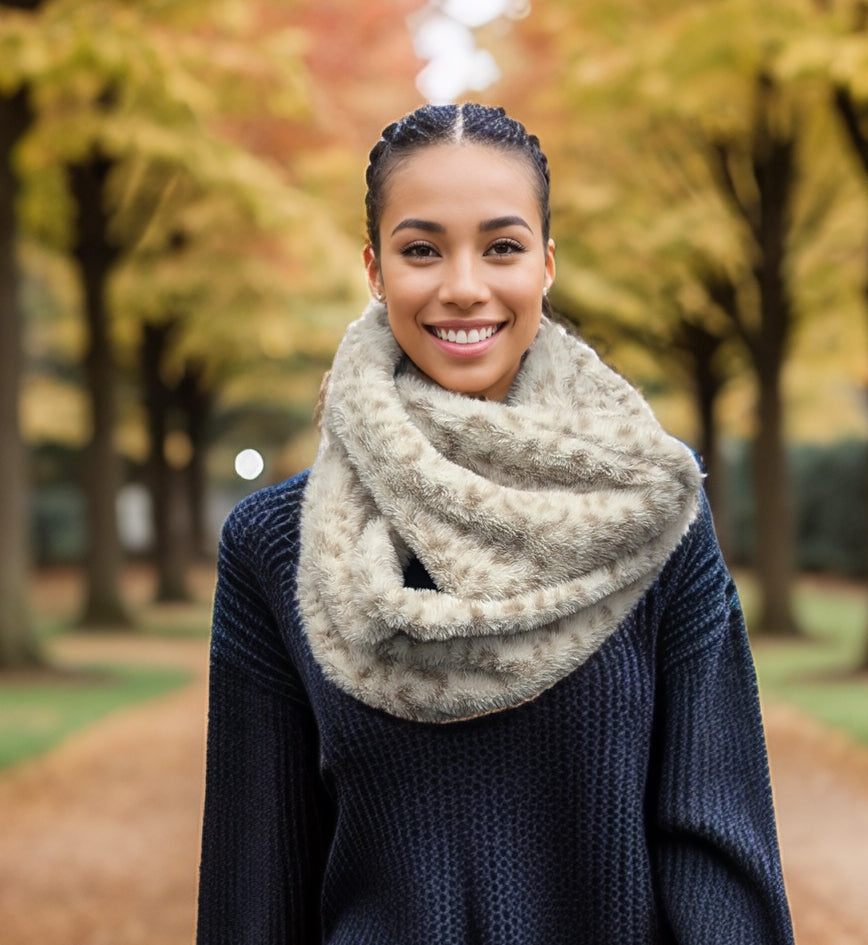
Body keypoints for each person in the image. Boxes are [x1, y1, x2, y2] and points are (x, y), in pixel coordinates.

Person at [196, 102, 795, 945]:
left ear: (546, 265)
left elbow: (718, 853)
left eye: (502, 246)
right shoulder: (273, 544)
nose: (464, 284)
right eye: (421, 249)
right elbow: (251, 889)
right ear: (375, 269)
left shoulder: (654, 518)